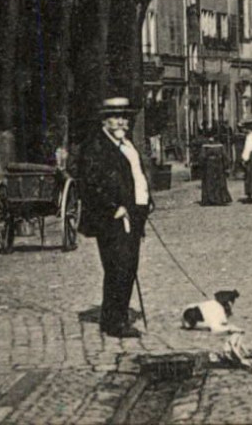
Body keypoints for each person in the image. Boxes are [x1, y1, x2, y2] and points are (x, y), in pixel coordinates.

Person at [76, 96, 151, 339]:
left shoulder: (126, 144)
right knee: (118, 267)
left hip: (134, 215)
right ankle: (114, 322)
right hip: (113, 218)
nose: (121, 122)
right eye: (115, 118)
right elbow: (90, 184)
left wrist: (146, 200)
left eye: (124, 118)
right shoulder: (97, 147)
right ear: (105, 121)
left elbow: (135, 174)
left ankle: (116, 316)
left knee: (128, 267)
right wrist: (113, 207)